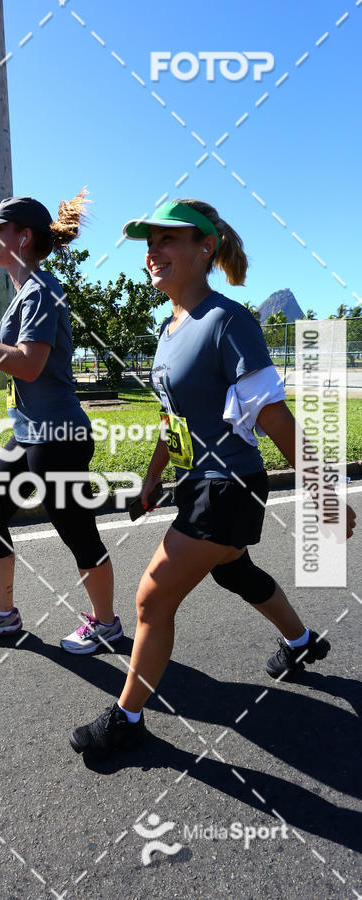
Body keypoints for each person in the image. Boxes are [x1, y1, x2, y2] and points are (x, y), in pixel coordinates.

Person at [70, 198, 357, 755]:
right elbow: (170, 418)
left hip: (230, 486)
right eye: (149, 243)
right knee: (237, 572)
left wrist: (325, 493)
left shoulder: (228, 321)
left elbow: (275, 417)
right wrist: (154, 478)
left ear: (206, 247)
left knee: (152, 599)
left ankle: (127, 723)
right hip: (198, 484)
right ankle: (300, 642)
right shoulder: (171, 326)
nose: (153, 252)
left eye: (167, 240)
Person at [0, 193, 121, 653]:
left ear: (24, 236)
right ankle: (5, 615)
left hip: (58, 433)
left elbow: (30, 365)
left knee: (76, 529)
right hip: (29, 430)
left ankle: (107, 623)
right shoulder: (24, 294)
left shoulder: (42, 290)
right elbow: (20, 358)